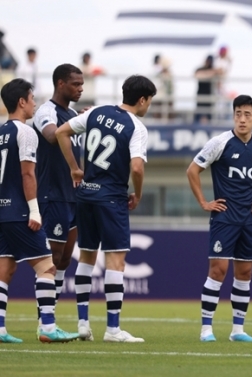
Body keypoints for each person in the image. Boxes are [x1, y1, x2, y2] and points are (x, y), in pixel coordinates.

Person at [55, 75, 157, 343]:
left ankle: (82, 323)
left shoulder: (96, 112)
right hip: (111, 198)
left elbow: (61, 132)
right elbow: (136, 167)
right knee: (115, 260)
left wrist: (75, 169)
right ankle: (112, 329)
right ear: (143, 99)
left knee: (87, 256)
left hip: (85, 194)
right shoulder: (137, 126)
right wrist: (138, 192)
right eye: (150, 102)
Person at [186, 95, 252, 342]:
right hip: (224, 218)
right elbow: (192, 170)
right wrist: (204, 203)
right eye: (238, 113)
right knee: (218, 271)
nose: (242, 119)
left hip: (249, 220)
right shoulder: (220, 142)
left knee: (245, 273)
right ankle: (206, 329)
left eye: (247, 114)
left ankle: (238, 330)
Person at [0, 78, 79, 343]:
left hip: (2, 212)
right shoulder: (26, 132)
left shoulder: (1, 132)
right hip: (20, 212)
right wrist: (34, 210)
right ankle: (47, 327)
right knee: (47, 267)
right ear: (22, 101)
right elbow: (28, 174)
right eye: (32, 98)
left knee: (5, 270)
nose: (35, 103)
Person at [32, 64, 84, 323]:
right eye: (75, 84)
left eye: (82, 83)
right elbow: (52, 136)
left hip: (73, 196)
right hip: (52, 195)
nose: (81, 88)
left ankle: (50, 314)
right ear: (60, 84)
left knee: (64, 260)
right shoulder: (46, 111)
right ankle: (44, 319)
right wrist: (77, 124)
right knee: (51, 259)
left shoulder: (72, 113)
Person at [194, 55, 218, 123]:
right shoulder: (201, 69)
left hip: (210, 95)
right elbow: (197, 75)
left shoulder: (214, 70)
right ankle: (194, 131)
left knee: (209, 115)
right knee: (198, 114)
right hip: (201, 95)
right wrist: (211, 73)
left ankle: (209, 132)